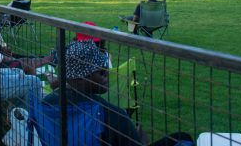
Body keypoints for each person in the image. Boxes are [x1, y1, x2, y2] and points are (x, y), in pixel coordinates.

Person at [38, 41, 193, 146]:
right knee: (183, 138)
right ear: (80, 78)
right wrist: (142, 140)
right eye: (101, 73)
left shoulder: (47, 103)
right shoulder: (111, 115)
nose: (107, 76)